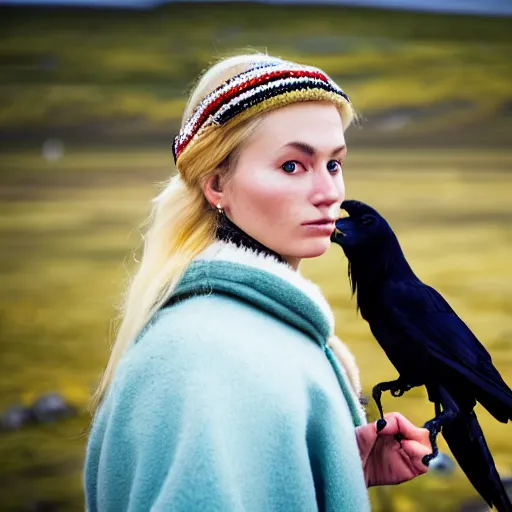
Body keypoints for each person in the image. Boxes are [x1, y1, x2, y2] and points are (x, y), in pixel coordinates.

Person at [84, 53, 432, 512]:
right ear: (216, 186)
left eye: (334, 163)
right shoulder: (205, 356)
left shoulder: (248, 328)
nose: (330, 193)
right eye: (292, 166)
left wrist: (333, 466)